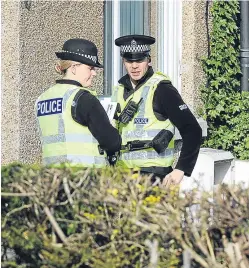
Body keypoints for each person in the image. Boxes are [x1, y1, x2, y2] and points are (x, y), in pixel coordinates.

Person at [112, 34, 202, 185]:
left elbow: (192, 130)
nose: (134, 66)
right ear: (123, 61)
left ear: (149, 60)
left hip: (154, 177)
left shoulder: (161, 89)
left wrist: (180, 170)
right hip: (123, 176)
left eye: (140, 60)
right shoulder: (119, 91)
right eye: (129, 61)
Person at [35, 38, 121, 167]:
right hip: (84, 177)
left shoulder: (42, 99)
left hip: (52, 178)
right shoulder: (83, 98)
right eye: (90, 68)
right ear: (74, 67)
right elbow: (112, 142)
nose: (94, 73)